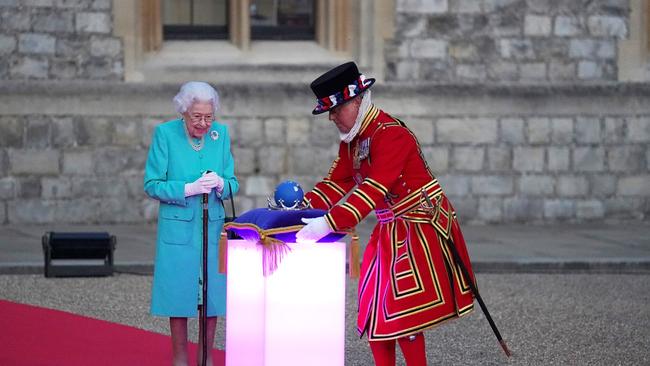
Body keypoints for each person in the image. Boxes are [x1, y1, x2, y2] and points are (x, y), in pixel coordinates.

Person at [296, 62, 476, 366]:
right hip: (391, 226)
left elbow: (374, 188)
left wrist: (328, 223)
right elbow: (335, 183)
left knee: (403, 318)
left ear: (354, 102)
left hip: (420, 224)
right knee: (374, 315)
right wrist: (297, 211)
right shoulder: (354, 139)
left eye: (335, 110)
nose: (331, 117)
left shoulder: (392, 134)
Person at [144, 81, 238, 366]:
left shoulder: (220, 135)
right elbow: (152, 184)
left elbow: (233, 184)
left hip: (212, 226)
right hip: (179, 226)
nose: (203, 123)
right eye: (197, 116)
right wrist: (188, 188)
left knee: (212, 295)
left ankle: (206, 358)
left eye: (209, 117)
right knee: (180, 293)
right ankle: (180, 359)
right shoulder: (165, 134)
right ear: (183, 111)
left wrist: (222, 183)